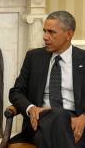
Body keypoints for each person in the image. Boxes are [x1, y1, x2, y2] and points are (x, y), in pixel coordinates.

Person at [9, 10, 85, 148]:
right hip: (40, 119)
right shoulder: (33, 57)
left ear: (69, 34)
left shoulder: (83, 59)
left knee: (47, 135)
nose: (45, 37)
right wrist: (31, 108)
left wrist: (84, 117)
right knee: (59, 114)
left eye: (51, 32)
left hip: (75, 122)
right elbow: (16, 92)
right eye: (44, 31)